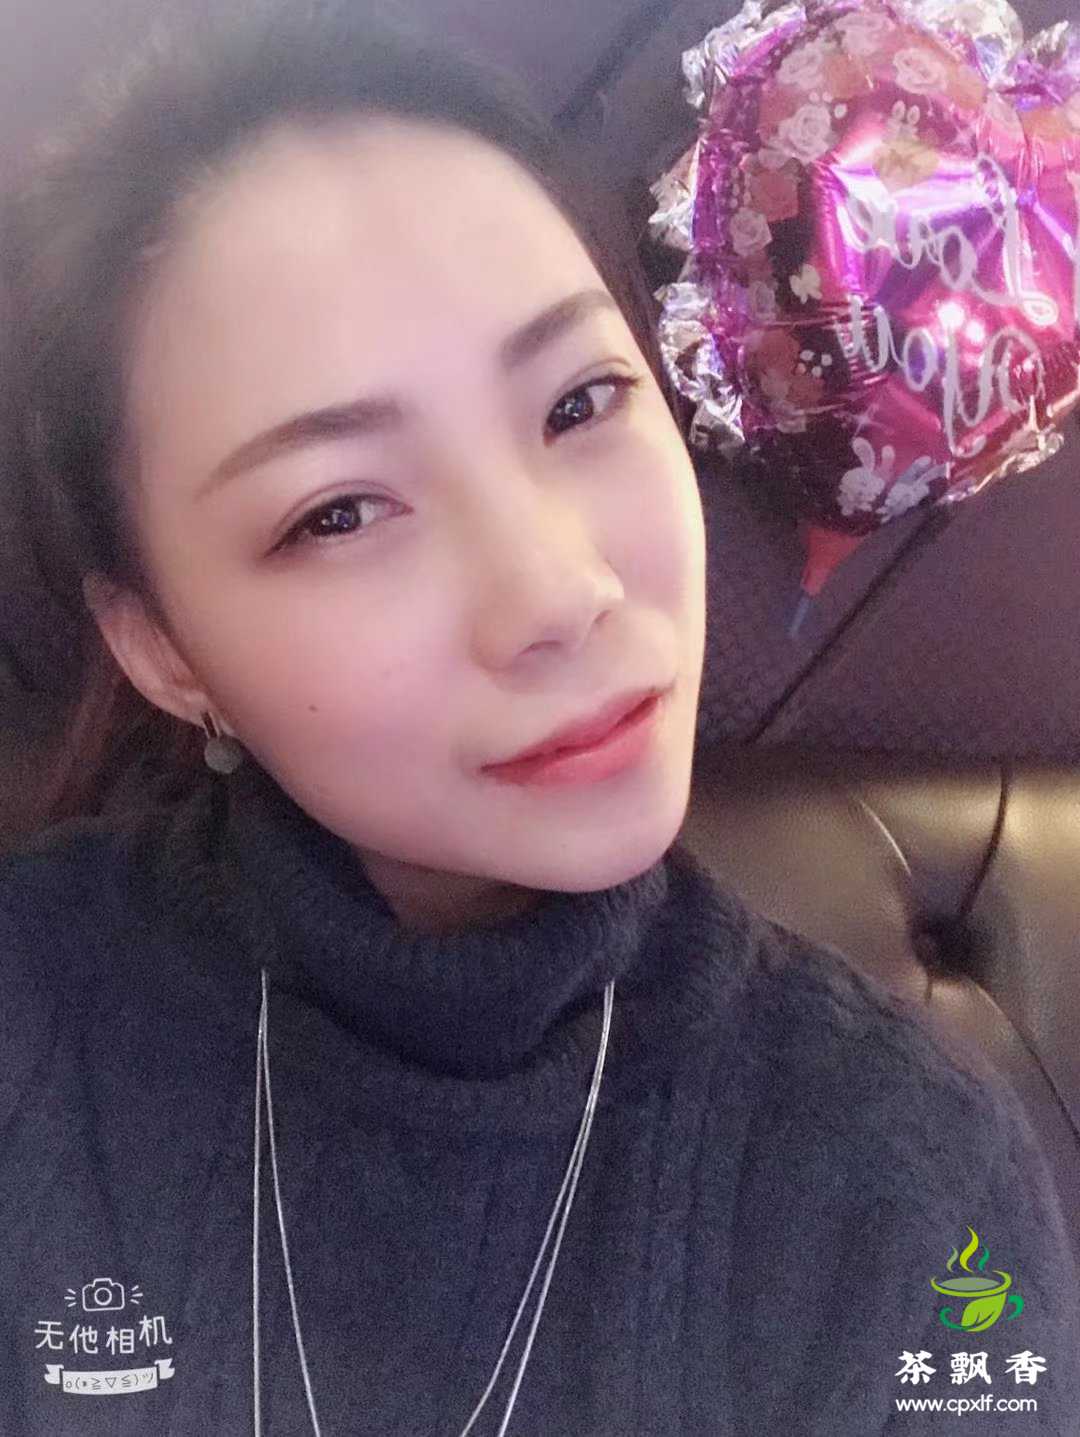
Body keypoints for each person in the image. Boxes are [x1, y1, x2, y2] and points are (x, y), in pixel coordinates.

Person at [0, 3, 1076, 1433]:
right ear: (159, 647)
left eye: (579, 404)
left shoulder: (901, 1185)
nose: (560, 592)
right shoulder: (34, 1029)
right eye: (340, 510)